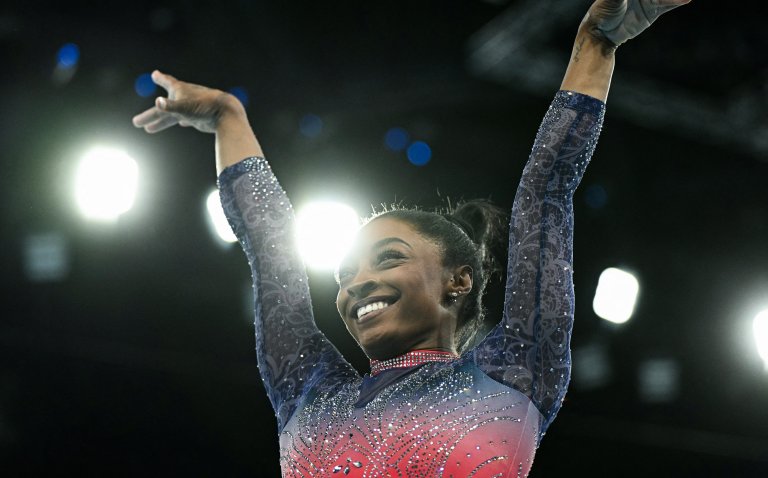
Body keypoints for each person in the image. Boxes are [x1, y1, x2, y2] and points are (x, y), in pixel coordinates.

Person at [132, 1, 689, 475]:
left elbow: (545, 193)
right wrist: (228, 116)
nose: (357, 285)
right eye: (345, 276)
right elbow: (271, 253)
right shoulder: (309, 393)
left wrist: (595, 45)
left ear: (458, 280)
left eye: (387, 260)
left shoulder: (516, 369)